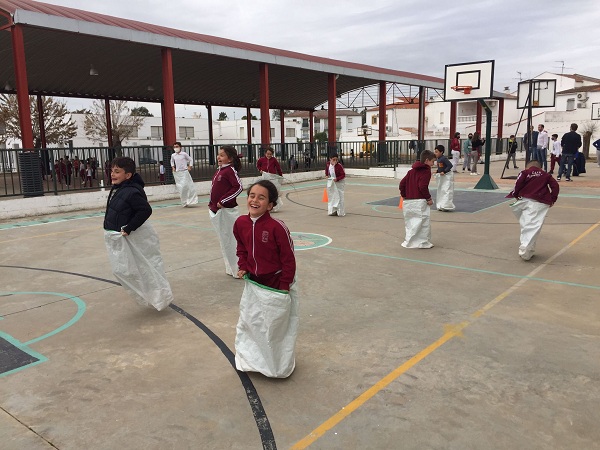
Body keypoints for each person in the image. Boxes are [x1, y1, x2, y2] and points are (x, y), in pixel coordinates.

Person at [233, 180, 298, 378]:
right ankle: (254, 360)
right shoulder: (240, 223)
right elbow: (241, 248)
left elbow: (289, 259)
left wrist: (284, 285)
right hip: (254, 283)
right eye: (252, 195)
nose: (255, 200)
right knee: (252, 322)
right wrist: (243, 266)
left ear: (270, 205)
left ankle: (276, 365)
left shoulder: (277, 227)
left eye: (261, 198)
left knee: (273, 327)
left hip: (276, 284)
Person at [103, 157, 173, 311]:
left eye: (117, 172)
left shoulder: (131, 191)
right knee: (124, 270)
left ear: (128, 175)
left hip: (132, 237)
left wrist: (129, 227)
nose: (112, 174)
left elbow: (145, 210)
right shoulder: (120, 188)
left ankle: (161, 297)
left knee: (147, 266)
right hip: (119, 237)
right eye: (112, 171)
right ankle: (150, 295)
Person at [506, 160, 559, 261]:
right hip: (539, 202)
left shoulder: (524, 173)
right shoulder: (546, 175)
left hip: (525, 200)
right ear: (540, 168)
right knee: (533, 226)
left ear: (527, 167)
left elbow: (518, 184)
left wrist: (516, 194)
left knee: (527, 225)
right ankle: (526, 250)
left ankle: (527, 250)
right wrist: (552, 199)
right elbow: (555, 186)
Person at [209, 145, 243, 278]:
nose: (219, 157)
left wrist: (222, 201)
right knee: (224, 241)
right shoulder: (220, 171)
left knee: (232, 240)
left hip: (227, 212)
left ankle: (238, 269)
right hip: (217, 211)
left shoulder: (229, 170)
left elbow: (238, 187)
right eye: (218, 154)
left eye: (222, 155)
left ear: (230, 159)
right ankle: (230, 267)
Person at [399, 149, 436, 249]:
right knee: (423, 222)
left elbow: (402, 184)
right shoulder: (426, 171)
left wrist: (404, 195)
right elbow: (422, 186)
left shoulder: (411, 171)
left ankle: (410, 241)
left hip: (409, 201)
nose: (433, 164)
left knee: (411, 223)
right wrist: (428, 198)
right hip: (420, 200)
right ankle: (422, 242)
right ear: (427, 160)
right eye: (433, 161)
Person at [170, 142, 198, 206]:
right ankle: (184, 202)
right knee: (181, 188)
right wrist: (173, 167)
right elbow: (171, 161)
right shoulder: (173, 155)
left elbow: (190, 159)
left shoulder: (184, 154)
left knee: (186, 186)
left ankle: (191, 200)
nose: (176, 148)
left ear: (180, 147)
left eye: (177, 146)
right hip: (178, 173)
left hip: (185, 172)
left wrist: (190, 166)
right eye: (174, 147)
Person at [257, 147, 284, 212]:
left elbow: (278, 167)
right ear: (265, 153)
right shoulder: (261, 159)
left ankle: (274, 205)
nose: (269, 155)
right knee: (265, 190)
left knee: (272, 191)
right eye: (268, 154)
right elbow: (258, 165)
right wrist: (260, 170)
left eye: (270, 154)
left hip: (272, 177)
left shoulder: (274, 160)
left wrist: (280, 175)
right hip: (265, 177)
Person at [434, 145, 455, 211]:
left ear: (441, 152)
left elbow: (450, 165)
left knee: (446, 190)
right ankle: (441, 204)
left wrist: (444, 171)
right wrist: (437, 171)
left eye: (437, 152)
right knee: (441, 190)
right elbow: (440, 167)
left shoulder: (444, 159)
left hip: (447, 176)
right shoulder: (438, 159)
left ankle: (447, 205)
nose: (435, 153)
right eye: (435, 152)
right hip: (442, 176)